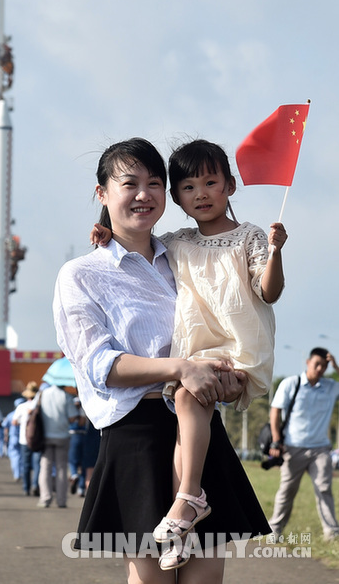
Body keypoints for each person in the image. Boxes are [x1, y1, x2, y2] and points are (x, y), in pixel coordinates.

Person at [55, 137, 271, 582]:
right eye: (129, 183)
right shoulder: (81, 274)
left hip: (199, 427)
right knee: (152, 578)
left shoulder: (183, 256)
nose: (143, 194)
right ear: (102, 193)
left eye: (154, 183)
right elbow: (103, 367)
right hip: (137, 434)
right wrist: (182, 368)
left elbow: (225, 321)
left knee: (204, 577)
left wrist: (227, 376)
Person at [268, 348, 339, 541]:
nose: (319, 369)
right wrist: (276, 440)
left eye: (324, 366)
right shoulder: (291, 384)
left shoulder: (331, 387)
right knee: (287, 490)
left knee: (324, 489)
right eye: (316, 364)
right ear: (307, 362)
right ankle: (274, 531)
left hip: (320, 449)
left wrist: (336, 366)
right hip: (293, 447)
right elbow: (275, 411)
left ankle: (331, 532)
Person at [36, 383, 77, 508]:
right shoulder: (66, 396)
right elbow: (72, 418)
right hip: (62, 436)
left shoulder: (42, 394)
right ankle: (61, 500)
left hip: (45, 435)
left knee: (45, 467)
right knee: (61, 468)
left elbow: (33, 410)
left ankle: (45, 498)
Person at [12, 381, 41, 496]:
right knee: (38, 464)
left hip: (24, 439)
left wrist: (22, 421)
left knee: (26, 464)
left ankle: (26, 488)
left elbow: (14, 422)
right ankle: (35, 485)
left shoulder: (21, 406)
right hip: (38, 439)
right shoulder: (40, 407)